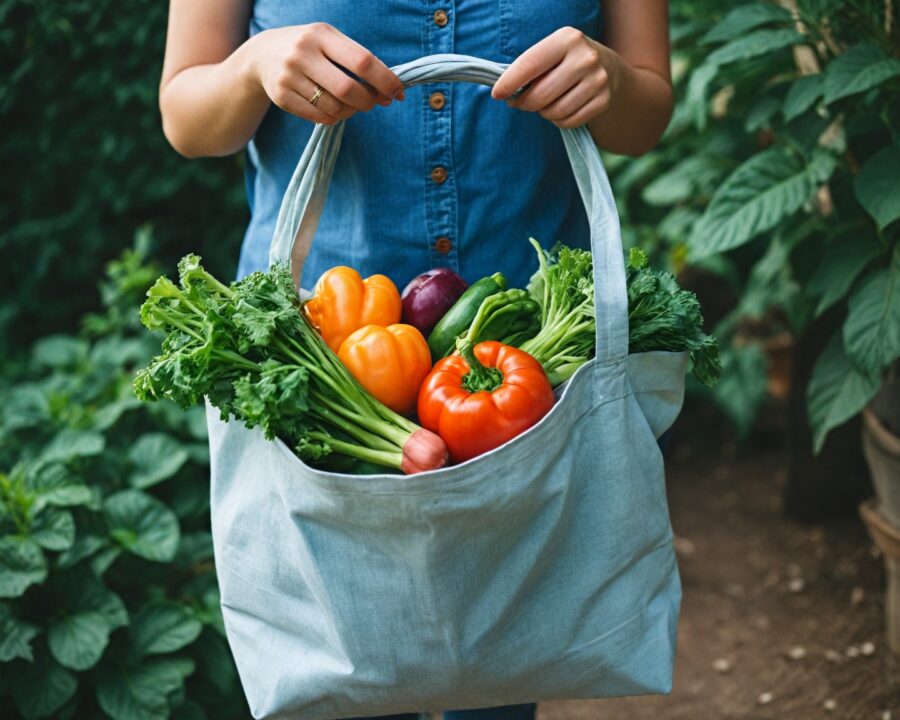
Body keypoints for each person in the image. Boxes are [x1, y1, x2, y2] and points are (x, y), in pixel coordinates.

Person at [160, 2, 671, 719]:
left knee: (501, 669)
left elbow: (646, 112)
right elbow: (185, 115)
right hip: (322, 356)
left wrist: (612, 80)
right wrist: (255, 65)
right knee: (344, 678)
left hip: (522, 356)